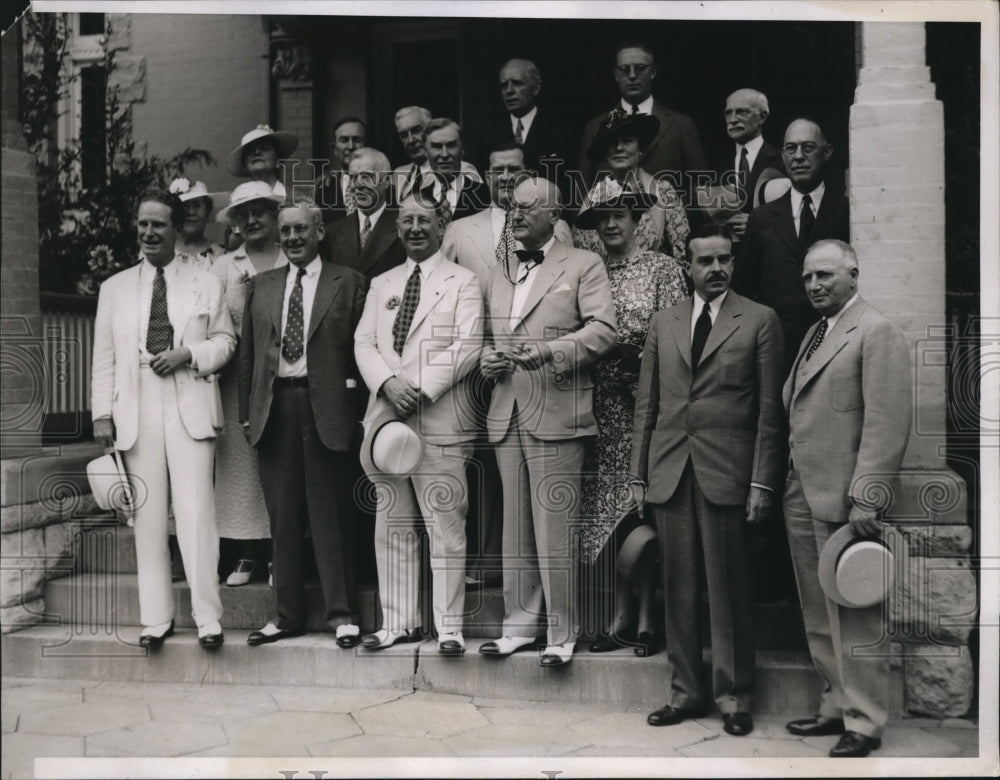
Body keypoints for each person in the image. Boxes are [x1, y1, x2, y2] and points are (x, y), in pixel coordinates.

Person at [632, 223, 784, 736]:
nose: (716, 269)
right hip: (671, 471)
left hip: (729, 472)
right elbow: (646, 405)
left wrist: (763, 482)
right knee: (678, 589)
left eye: (724, 260)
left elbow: (769, 410)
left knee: (728, 589)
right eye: (705, 261)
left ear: (733, 263)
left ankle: (734, 697)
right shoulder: (663, 321)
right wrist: (638, 475)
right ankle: (685, 693)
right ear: (688, 267)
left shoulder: (760, 320)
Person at [478, 176, 617, 667]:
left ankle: (562, 632)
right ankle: (518, 626)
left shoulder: (584, 264)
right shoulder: (501, 270)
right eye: (513, 208)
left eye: (527, 209)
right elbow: (490, 337)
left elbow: (604, 331)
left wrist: (550, 352)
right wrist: (489, 361)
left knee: (554, 527)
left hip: (558, 408)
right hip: (507, 409)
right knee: (515, 527)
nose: (516, 216)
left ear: (554, 213)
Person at [782, 239, 911, 758]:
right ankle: (835, 705)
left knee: (856, 614)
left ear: (854, 275)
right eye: (809, 277)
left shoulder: (875, 330)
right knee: (817, 610)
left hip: (847, 500)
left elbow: (886, 422)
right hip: (803, 489)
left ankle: (866, 721)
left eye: (826, 276)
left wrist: (868, 499)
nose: (815, 285)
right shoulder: (817, 332)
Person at [91, 189, 235, 651]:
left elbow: (226, 343)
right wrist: (101, 416)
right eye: (143, 224)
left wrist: (188, 353)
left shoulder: (205, 280)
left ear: (176, 229)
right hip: (135, 403)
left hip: (188, 397)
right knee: (147, 516)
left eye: (158, 225)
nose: (149, 232)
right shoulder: (114, 288)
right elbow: (103, 358)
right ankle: (155, 619)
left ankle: (208, 618)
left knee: (196, 513)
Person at [354, 194, 484, 655]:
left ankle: (449, 627)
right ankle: (399, 622)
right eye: (405, 220)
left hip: (440, 415)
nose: (414, 228)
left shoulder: (463, 282)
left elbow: (469, 345)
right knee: (392, 523)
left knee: (445, 523)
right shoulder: (382, 282)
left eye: (423, 220)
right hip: (387, 417)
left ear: (441, 224)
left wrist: (419, 387)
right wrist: (389, 384)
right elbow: (364, 342)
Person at [439, 142, 570, 590]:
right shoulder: (460, 229)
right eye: (497, 170)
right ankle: (482, 560)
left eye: (514, 169)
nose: (505, 176)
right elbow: (443, 296)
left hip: (534, 373)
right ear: (485, 176)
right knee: (479, 466)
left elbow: (561, 294)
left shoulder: (557, 226)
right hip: (474, 364)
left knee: (528, 478)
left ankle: (521, 571)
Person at [239, 198, 368, 648]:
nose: (292, 238)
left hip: (328, 408)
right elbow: (249, 357)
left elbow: (361, 352)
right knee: (284, 517)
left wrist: (360, 416)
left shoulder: (348, 283)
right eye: (286, 230)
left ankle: (342, 613)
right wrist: (245, 415)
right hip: (275, 410)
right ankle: (286, 615)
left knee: (330, 514)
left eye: (301, 230)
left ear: (319, 233)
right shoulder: (261, 285)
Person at [573, 181, 688, 654]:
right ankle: (619, 609)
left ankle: (646, 613)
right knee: (603, 513)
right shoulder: (589, 272)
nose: (611, 224)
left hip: (647, 405)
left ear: (638, 219)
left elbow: (676, 338)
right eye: (603, 218)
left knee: (641, 507)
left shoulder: (662, 269)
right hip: (599, 407)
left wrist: (642, 371)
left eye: (619, 214)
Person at [210, 181, 287, 588]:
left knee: (281, 463)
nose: (253, 219)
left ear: (275, 216)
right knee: (242, 469)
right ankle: (246, 553)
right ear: (237, 223)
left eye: (261, 211)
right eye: (245, 214)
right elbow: (213, 321)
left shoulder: (290, 254)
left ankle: (282, 553)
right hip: (237, 381)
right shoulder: (224, 266)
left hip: (285, 376)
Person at [735, 117, 849, 370]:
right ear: (783, 155)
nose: (798, 156)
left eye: (808, 148)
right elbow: (743, 289)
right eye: (790, 148)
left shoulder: (847, 213)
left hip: (835, 348)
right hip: (775, 353)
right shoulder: (761, 219)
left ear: (826, 152)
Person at [577, 41, 707, 193]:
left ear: (653, 72)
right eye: (625, 70)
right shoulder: (595, 127)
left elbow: (700, 187)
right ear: (616, 75)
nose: (632, 76)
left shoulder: (680, 125)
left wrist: (674, 212)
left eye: (639, 68)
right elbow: (581, 192)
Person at [573, 108, 690, 268]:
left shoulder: (662, 191)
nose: (619, 148)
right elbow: (581, 260)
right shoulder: (592, 199)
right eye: (611, 142)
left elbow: (682, 253)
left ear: (640, 148)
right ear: (604, 152)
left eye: (627, 141)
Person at [482, 59, 572, 192]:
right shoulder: (489, 133)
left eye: (517, 83)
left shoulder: (560, 130)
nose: (509, 91)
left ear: (536, 88)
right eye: (504, 85)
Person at [323, 147, 405, 278]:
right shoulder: (332, 233)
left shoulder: (404, 228)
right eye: (353, 177)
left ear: (387, 181)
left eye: (367, 177)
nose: (358, 184)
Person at [715, 89, 785, 240]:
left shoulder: (783, 162)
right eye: (728, 113)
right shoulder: (718, 167)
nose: (732, 119)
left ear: (762, 117)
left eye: (742, 112)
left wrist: (756, 223)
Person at [391, 106, 480, 204]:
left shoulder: (464, 170)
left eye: (416, 130)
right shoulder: (399, 173)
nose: (410, 140)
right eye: (404, 135)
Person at [418, 118, 490, 223]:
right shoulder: (417, 199)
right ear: (425, 152)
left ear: (463, 149)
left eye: (451, 146)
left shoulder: (484, 195)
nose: (444, 154)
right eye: (437, 147)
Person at [314, 116, 367, 224]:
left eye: (357, 140)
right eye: (344, 140)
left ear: (366, 145)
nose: (351, 146)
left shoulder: (383, 184)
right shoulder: (323, 188)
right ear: (334, 149)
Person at [226, 124, 298, 197]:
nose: (257, 152)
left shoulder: (295, 199)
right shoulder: (236, 198)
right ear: (244, 165)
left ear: (278, 161)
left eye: (264, 148)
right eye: (250, 150)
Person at [169, 178, 226, 265]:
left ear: (208, 211)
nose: (191, 212)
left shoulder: (221, 255)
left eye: (197, 206)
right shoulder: (162, 252)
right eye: (185, 206)